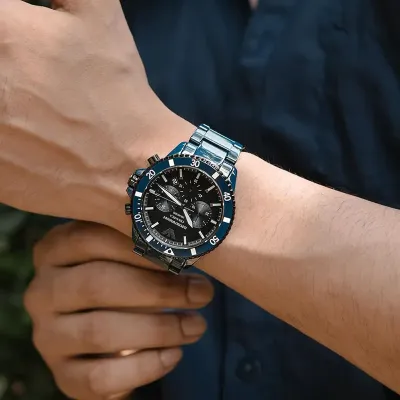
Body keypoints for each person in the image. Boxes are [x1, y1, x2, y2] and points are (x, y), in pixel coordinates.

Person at [1, 0, 400, 399]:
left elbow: (123, 169)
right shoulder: (122, 19)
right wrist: (84, 328)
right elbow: (97, 276)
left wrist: (131, 158)